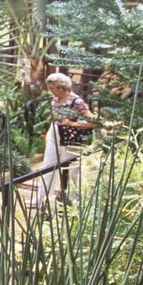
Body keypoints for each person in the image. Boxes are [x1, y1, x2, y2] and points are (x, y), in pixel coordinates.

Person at [31, 72, 95, 207]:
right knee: (48, 167)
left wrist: (73, 124)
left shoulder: (77, 102)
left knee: (73, 170)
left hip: (70, 138)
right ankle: (40, 199)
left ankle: (73, 201)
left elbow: (93, 121)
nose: (51, 91)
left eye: (52, 88)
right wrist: (49, 134)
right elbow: (54, 120)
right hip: (55, 135)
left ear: (60, 88)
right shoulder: (55, 100)